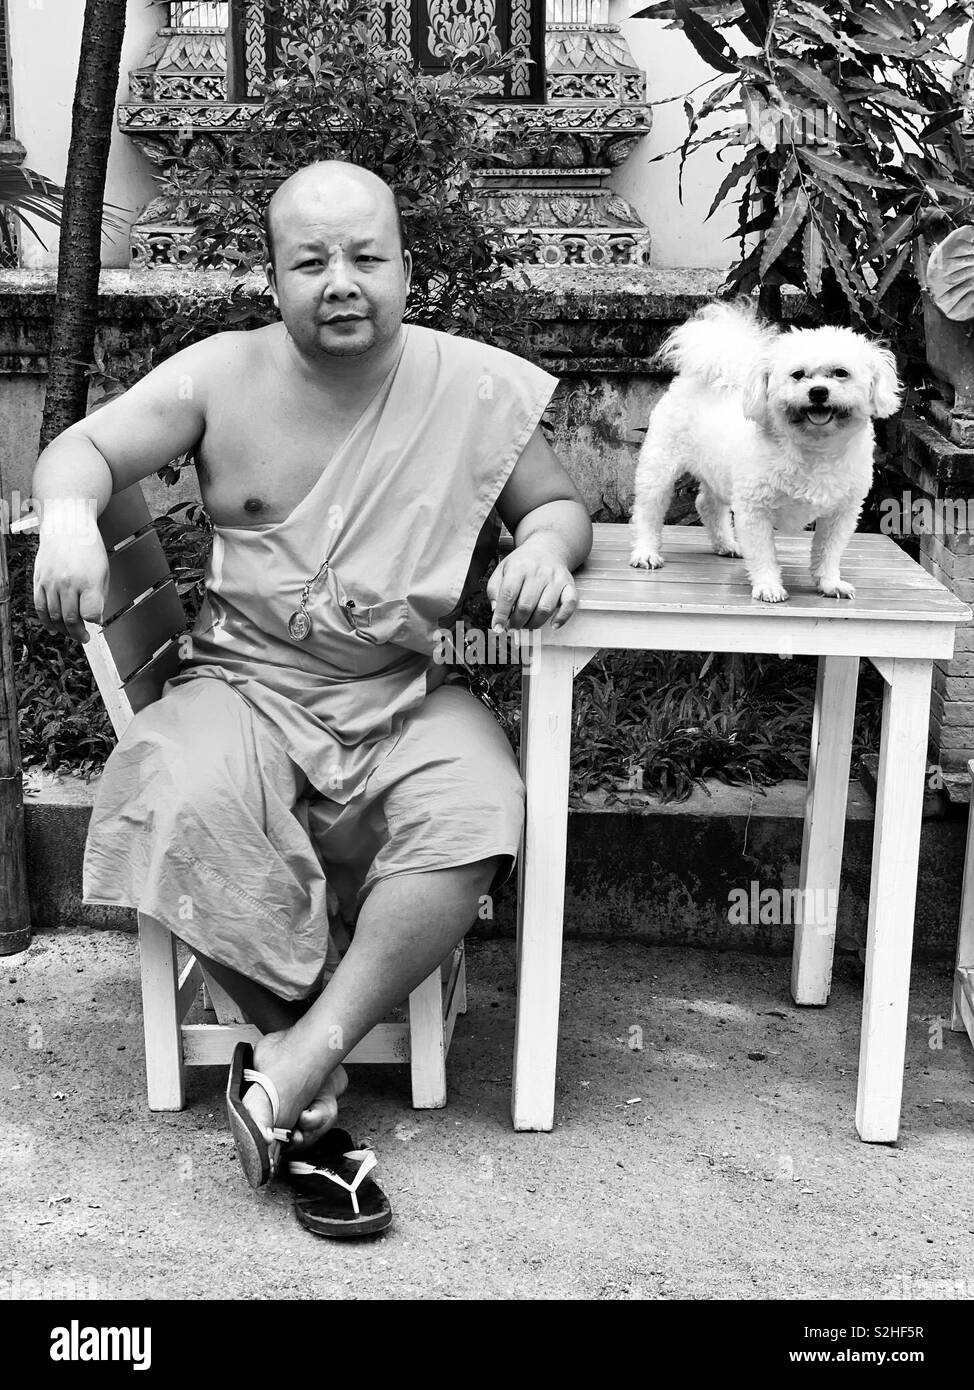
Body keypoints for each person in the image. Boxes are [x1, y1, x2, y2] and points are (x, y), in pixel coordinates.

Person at [31, 159, 592, 1235]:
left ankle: (290, 1069)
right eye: (312, 260)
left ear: (405, 269)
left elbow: (555, 503)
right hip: (243, 686)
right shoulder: (220, 376)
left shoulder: (470, 383)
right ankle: (310, 1070)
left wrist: (549, 554)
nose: (342, 280)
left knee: (475, 800)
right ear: (273, 276)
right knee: (172, 782)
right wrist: (65, 510)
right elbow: (88, 447)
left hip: (399, 694)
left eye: (365, 255)